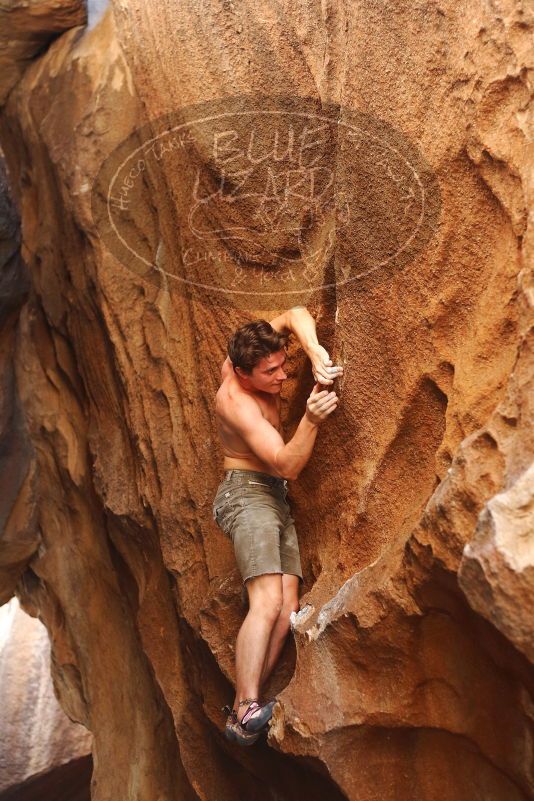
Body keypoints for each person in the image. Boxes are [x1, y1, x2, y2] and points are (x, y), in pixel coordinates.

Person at [212, 306, 343, 745]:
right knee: (266, 601)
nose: (283, 376)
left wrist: (313, 349)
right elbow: (286, 464)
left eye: (283, 363)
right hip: (246, 494)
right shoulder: (236, 401)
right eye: (271, 371)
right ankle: (247, 706)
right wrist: (312, 419)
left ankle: (242, 710)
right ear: (242, 373)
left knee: (286, 612)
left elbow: (296, 313)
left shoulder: (249, 349)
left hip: (272, 499)